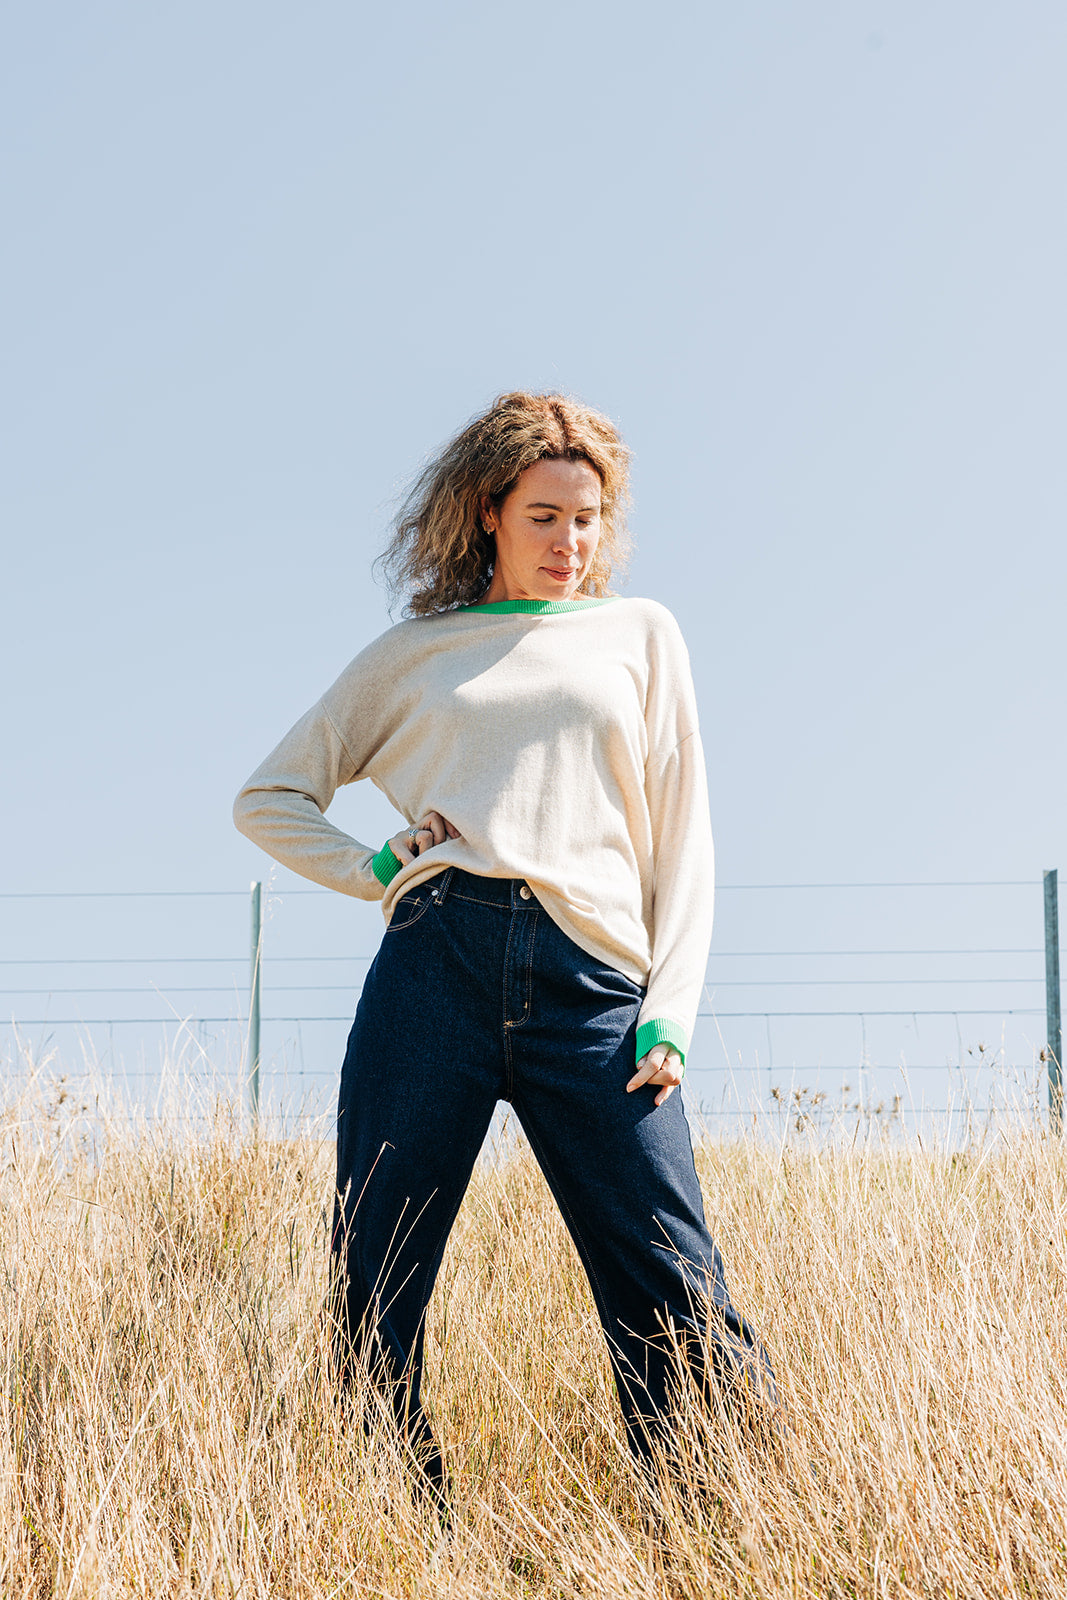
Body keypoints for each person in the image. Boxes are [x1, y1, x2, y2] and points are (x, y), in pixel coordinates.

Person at [233, 391, 776, 1494]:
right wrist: (375, 868)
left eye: (587, 518)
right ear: (487, 513)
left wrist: (666, 1011)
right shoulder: (415, 651)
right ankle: (386, 1507)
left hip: (592, 978)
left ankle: (719, 1506)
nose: (569, 543)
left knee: (669, 1263)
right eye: (543, 517)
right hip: (437, 959)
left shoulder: (639, 633)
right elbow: (270, 794)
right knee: (378, 1256)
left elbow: (685, 841)